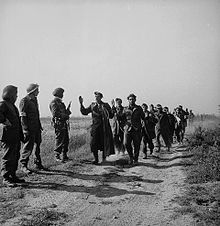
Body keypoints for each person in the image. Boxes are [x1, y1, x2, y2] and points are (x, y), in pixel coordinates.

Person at [79, 91, 115, 165]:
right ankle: (96, 159)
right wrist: (81, 104)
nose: (96, 98)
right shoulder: (92, 105)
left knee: (104, 143)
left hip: (104, 128)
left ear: (101, 97)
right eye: (95, 97)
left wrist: (113, 107)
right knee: (93, 143)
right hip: (95, 127)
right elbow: (85, 112)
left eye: (98, 97)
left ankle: (104, 159)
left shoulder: (106, 105)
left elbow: (111, 116)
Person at [0, 85, 25, 187]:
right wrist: (4, 120)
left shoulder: (12, 105)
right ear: (9, 94)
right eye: (15, 94)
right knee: (8, 157)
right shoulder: (3, 104)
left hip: (15, 136)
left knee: (15, 156)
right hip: (8, 136)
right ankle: (6, 178)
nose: (16, 96)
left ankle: (13, 175)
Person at [19, 83, 45, 174]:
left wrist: (39, 126)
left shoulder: (35, 100)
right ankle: (23, 165)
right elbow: (22, 116)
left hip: (36, 128)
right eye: (37, 90)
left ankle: (38, 164)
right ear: (33, 91)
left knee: (37, 145)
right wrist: (25, 129)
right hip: (29, 129)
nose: (38, 92)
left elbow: (37, 115)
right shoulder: (24, 100)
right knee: (28, 147)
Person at [49, 88, 71, 162]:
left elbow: (64, 112)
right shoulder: (54, 102)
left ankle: (65, 156)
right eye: (62, 93)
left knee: (66, 140)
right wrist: (65, 115)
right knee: (59, 139)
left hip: (63, 123)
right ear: (58, 94)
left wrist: (67, 111)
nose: (63, 95)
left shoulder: (61, 103)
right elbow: (55, 114)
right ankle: (57, 156)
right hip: (59, 124)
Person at [123, 94, 145, 165]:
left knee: (137, 145)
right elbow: (121, 117)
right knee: (126, 143)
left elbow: (143, 117)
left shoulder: (139, 108)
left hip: (136, 129)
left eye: (133, 99)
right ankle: (130, 157)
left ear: (135, 100)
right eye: (130, 99)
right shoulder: (125, 109)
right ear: (128, 100)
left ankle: (136, 159)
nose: (131, 100)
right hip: (128, 129)